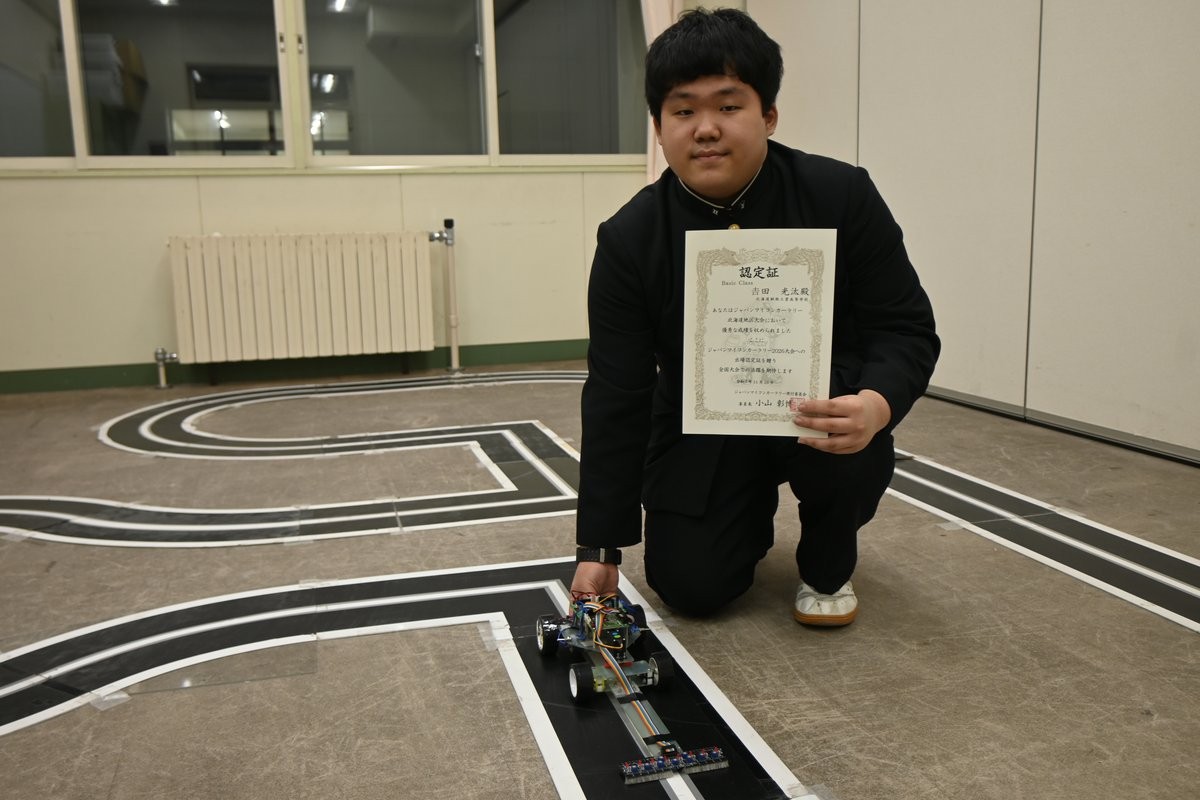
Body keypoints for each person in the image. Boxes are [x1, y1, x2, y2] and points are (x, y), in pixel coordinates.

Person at [571, 8, 939, 626]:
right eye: (682, 111)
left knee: (848, 451)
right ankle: (739, 517)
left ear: (768, 114)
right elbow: (617, 392)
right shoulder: (630, 239)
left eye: (728, 105)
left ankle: (827, 557)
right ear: (658, 127)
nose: (706, 129)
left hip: (820, 411)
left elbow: (904, 327)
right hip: (700, 424)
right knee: (690, 586)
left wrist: (874, 406)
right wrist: (599, 549)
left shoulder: (841, 196)